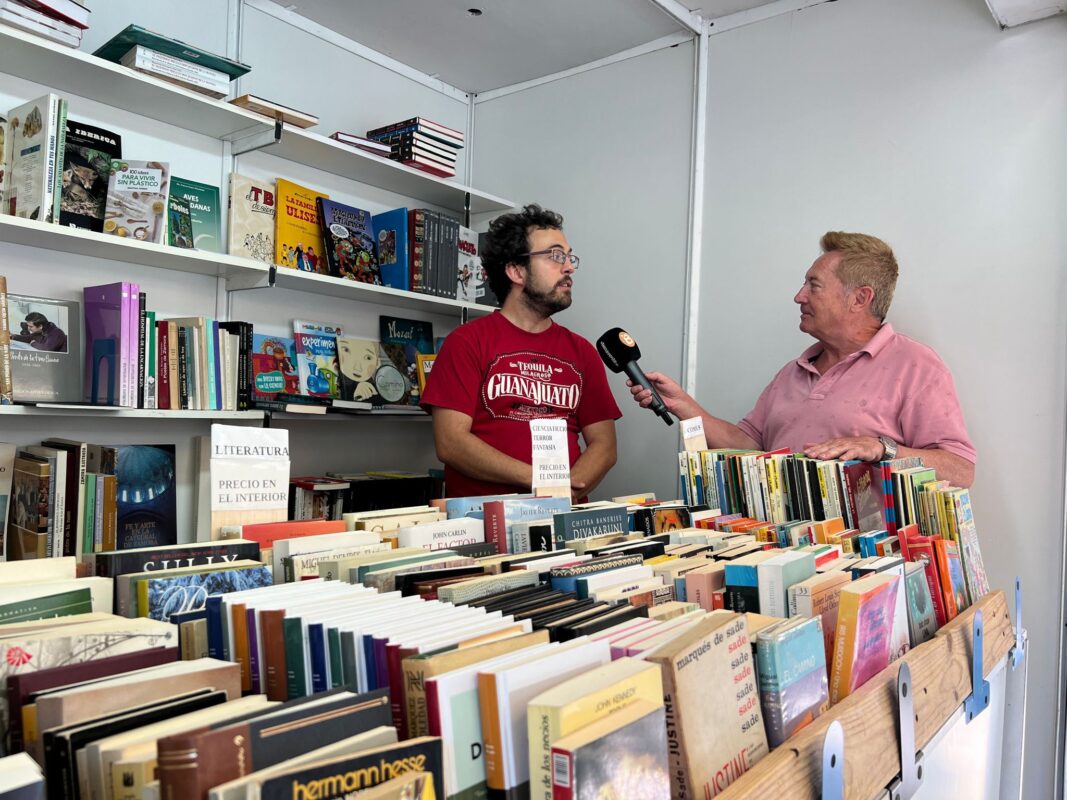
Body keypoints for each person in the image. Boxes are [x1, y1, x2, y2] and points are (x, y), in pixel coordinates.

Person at [630, 231, 976, 488]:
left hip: (866, 562)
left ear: (860, 298)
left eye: (814, 285)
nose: (799, 296)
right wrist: (684, 406)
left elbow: (961, 470)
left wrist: (879, 448)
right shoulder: (792, 372)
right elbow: (750, 446)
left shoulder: (915, 365)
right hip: (781, 553)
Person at [422, 204, 620, 500]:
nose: (569, 267)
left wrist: (567, 492)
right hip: (484, 519)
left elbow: (604, 445)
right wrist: (542, 483)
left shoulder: (582, 352)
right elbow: (451, 443)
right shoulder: (466, 342)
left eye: (569, 257)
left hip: (564, 515)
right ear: (516, 271)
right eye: (556, 256)